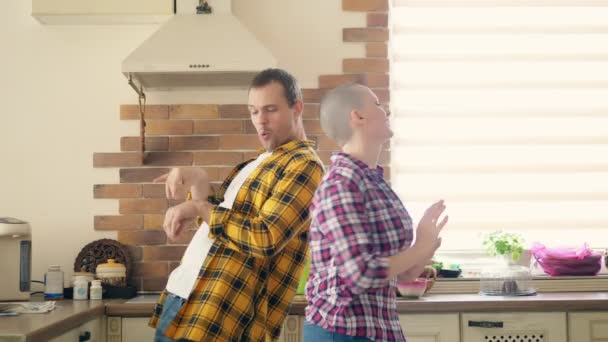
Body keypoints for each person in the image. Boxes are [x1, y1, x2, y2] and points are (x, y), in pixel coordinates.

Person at [149, 68, 324, 341]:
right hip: (184, 296)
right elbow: (219, 225)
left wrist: (199, 208)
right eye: (254, 111)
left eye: (270, 110)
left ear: (297, 108)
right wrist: (198, 179)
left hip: (221, 314)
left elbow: (264, 238)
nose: (261, 121)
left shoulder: (304, 165)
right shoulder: (257, 163)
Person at [303, 84, 447, 341]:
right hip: (342, 332)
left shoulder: (373, 181)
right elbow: (361, 274)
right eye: (378, 105)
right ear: (358, 117)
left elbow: (399, 275)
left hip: (376, 331)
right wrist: (419, 246)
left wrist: (425, 250)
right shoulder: (340, 184)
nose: (386, 110)